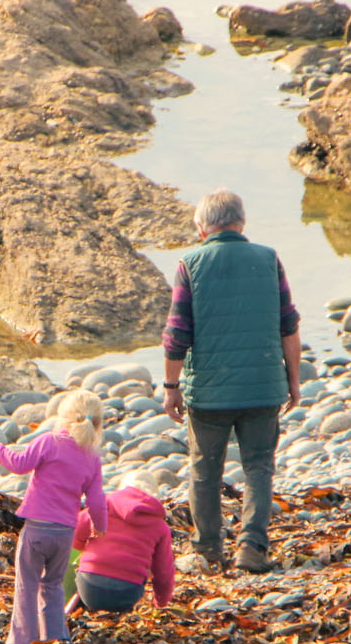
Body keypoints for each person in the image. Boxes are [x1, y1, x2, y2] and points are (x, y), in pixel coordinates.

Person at [161, 189, 302, 574]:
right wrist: (293, 381)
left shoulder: (190, 264)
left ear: (201, 228)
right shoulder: (269, 259)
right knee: (259, 467)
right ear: (241, 222)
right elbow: (289, 325)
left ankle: (208, 550)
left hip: (208, 392)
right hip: (263, 387)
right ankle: (252, 548)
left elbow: (176, 334)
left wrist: (171, 388)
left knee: (205, 470)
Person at [0, 390, 108, 644]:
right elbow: (97, 501)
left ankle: (22, 643)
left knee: (27, 585)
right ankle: (56, 638)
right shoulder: (92, 458)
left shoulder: (49, 442)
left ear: (63, 417)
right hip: (64, 534)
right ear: (96, 424)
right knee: (52, 585)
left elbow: (19, 464)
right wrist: (100, 527)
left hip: (37, 529)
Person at [72, 485, 176, 613]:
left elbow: (75, 531)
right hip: (127, 593)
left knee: (78, 571)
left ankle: (81, 606)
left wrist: (83, 547)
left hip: (90, 589)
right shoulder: (160, 527)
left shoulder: (104, 507)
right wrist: (161, 602)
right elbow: (163, 572)